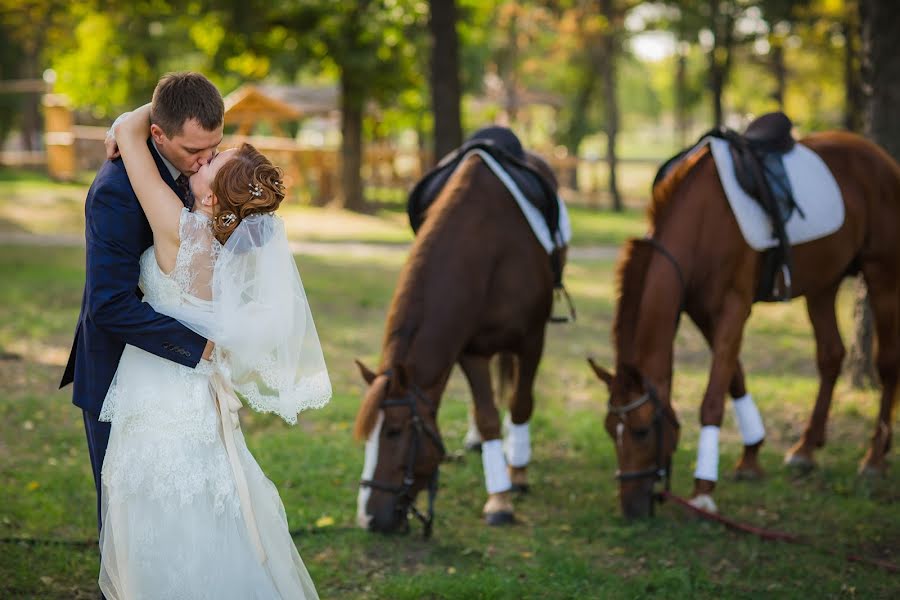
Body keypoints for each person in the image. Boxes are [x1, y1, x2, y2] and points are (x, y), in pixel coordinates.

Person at [96, 102, 330, 598]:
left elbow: (134, 141)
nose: (203, 161)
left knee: (158, 515)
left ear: (212, 202)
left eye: (212, 165)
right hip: (197, 396)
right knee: (205, 509)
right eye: (208, 154)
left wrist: (133, 121)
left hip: (159, 395)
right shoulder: (230, 250)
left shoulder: (180, 232)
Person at [60, 72, 223, 541]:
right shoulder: (116, 190)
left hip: (180, 382)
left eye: (213, 145)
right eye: (194, 151)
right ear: (157, 134)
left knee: (185, 512)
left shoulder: (199, 170)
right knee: (126, 525)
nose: (206, 159)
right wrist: (202, 347)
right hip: (119, 378)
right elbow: (108, 305)